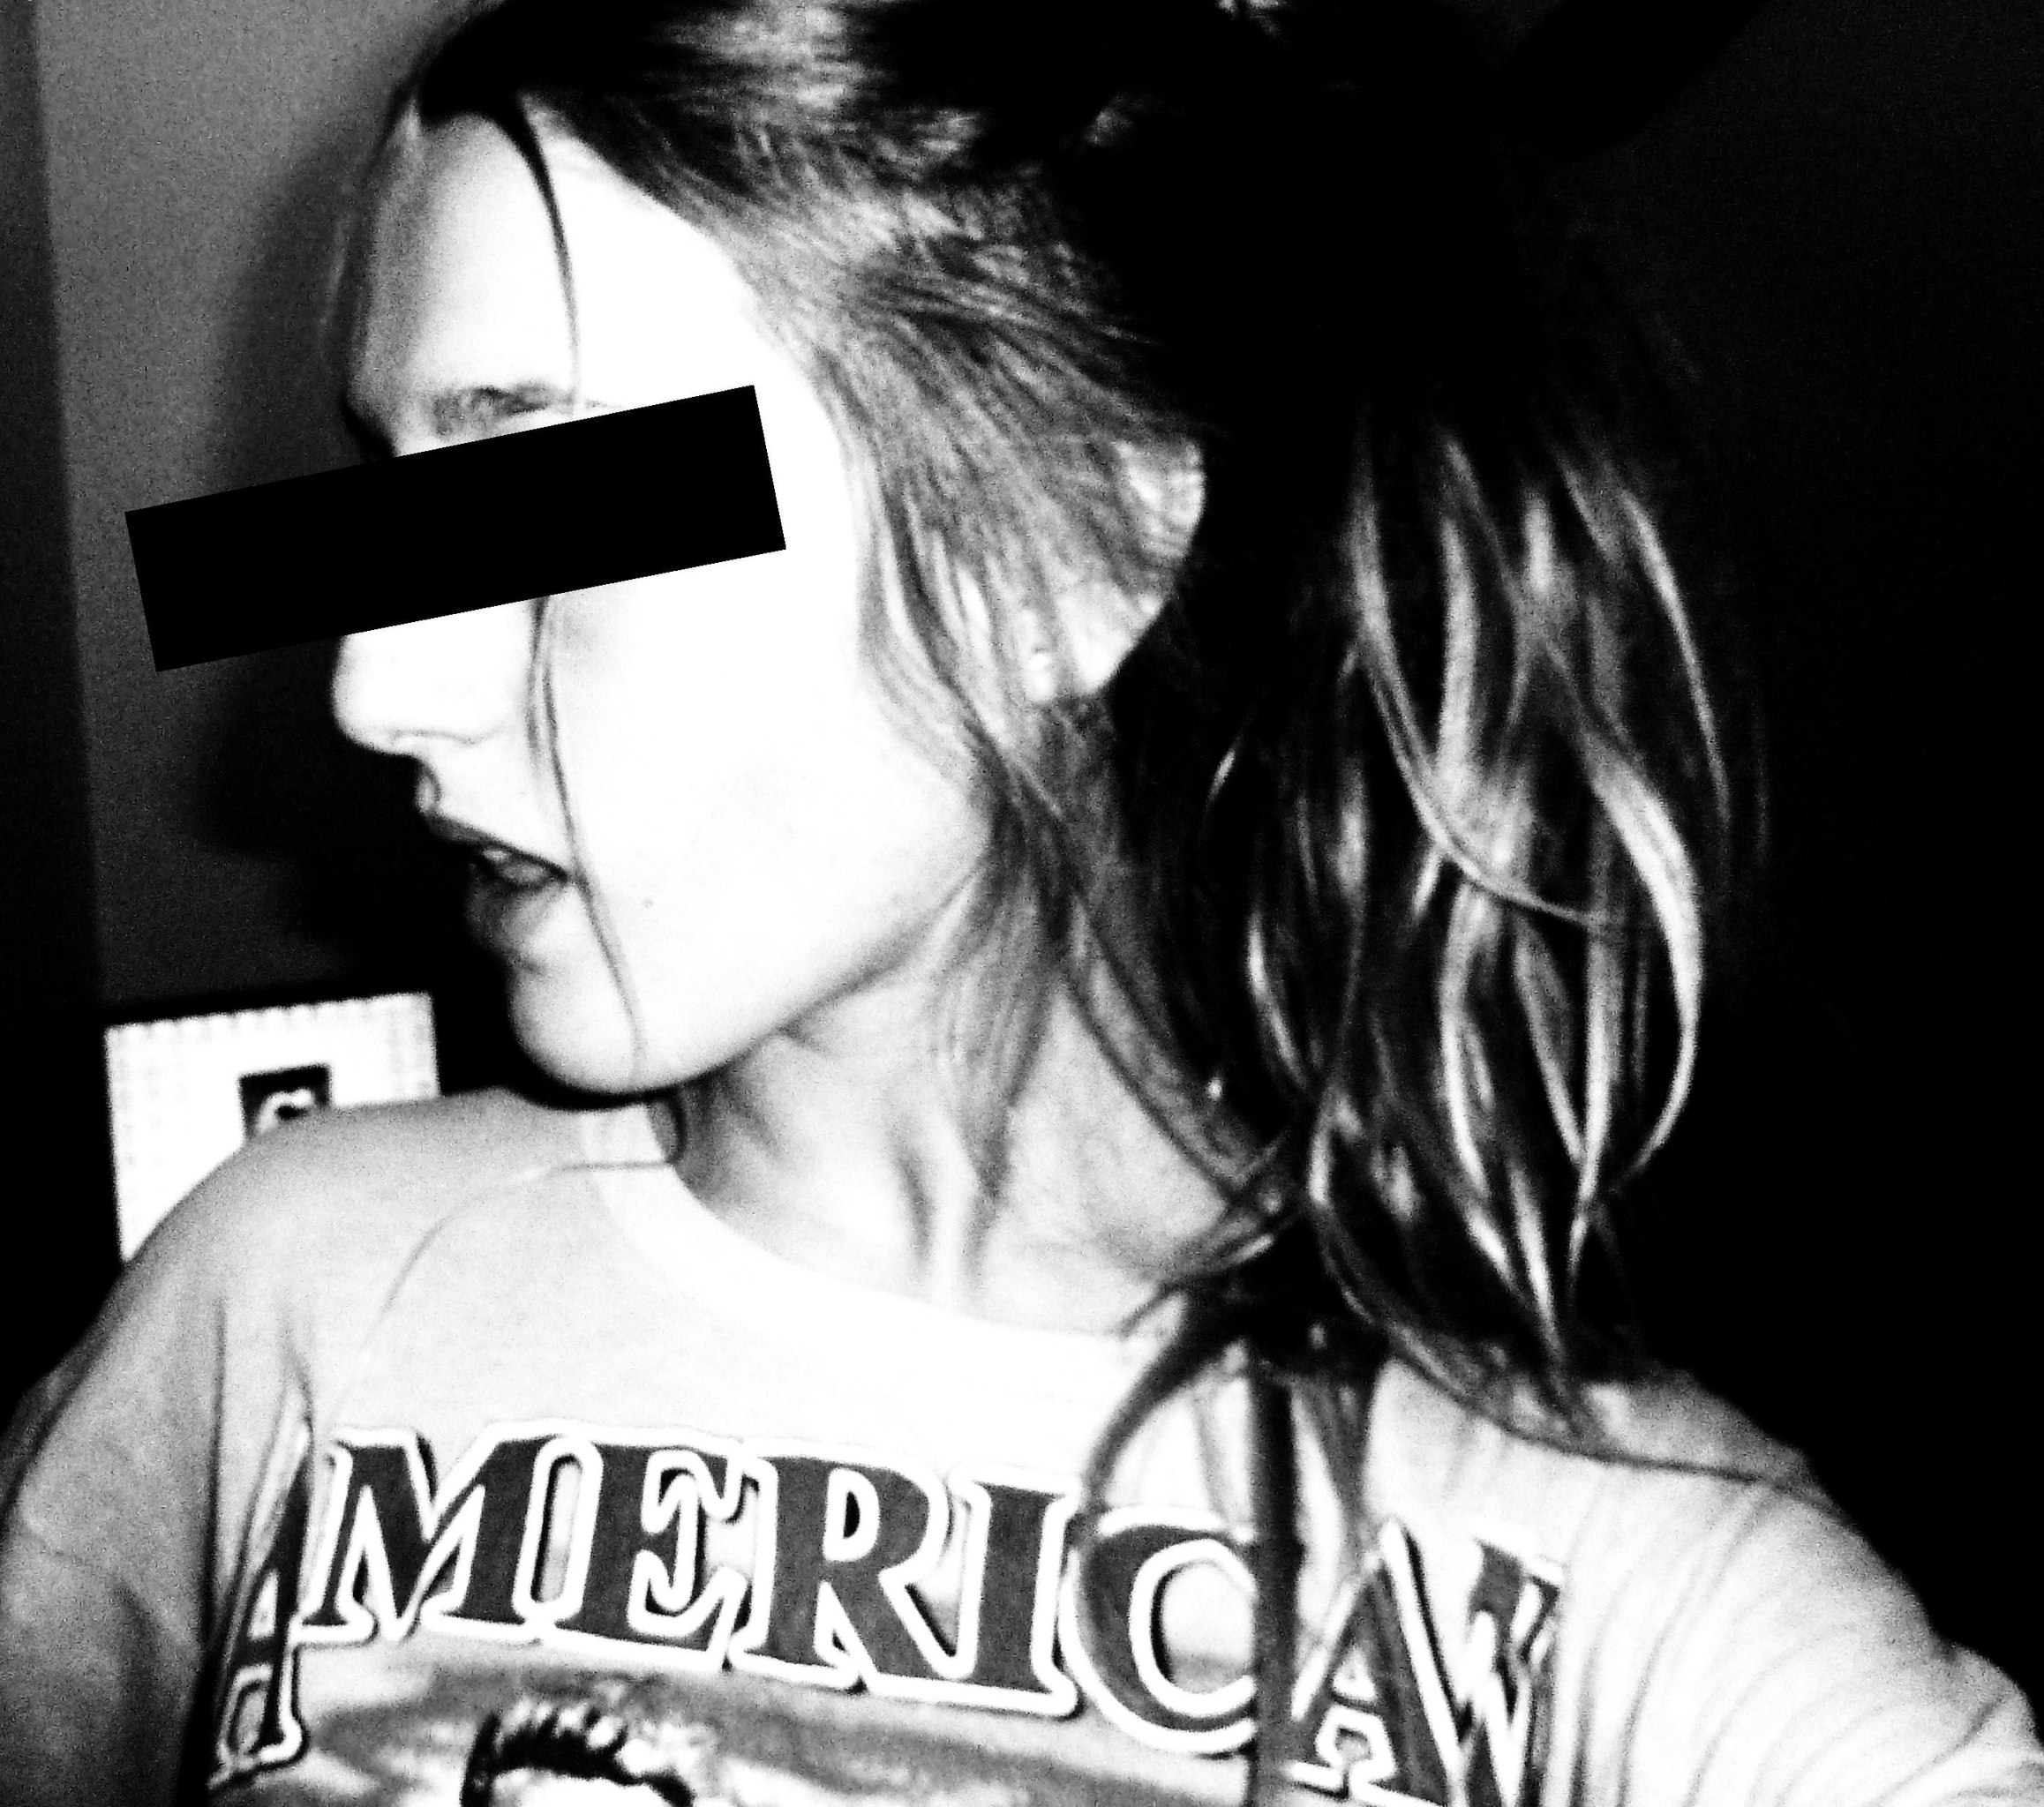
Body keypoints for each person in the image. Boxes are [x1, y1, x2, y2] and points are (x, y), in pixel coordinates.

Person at [2, 0, 2037, 1801]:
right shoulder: (277, 1297)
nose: (372, 685)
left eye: (537, 498)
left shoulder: (1637, 1591)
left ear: (1069, 552)